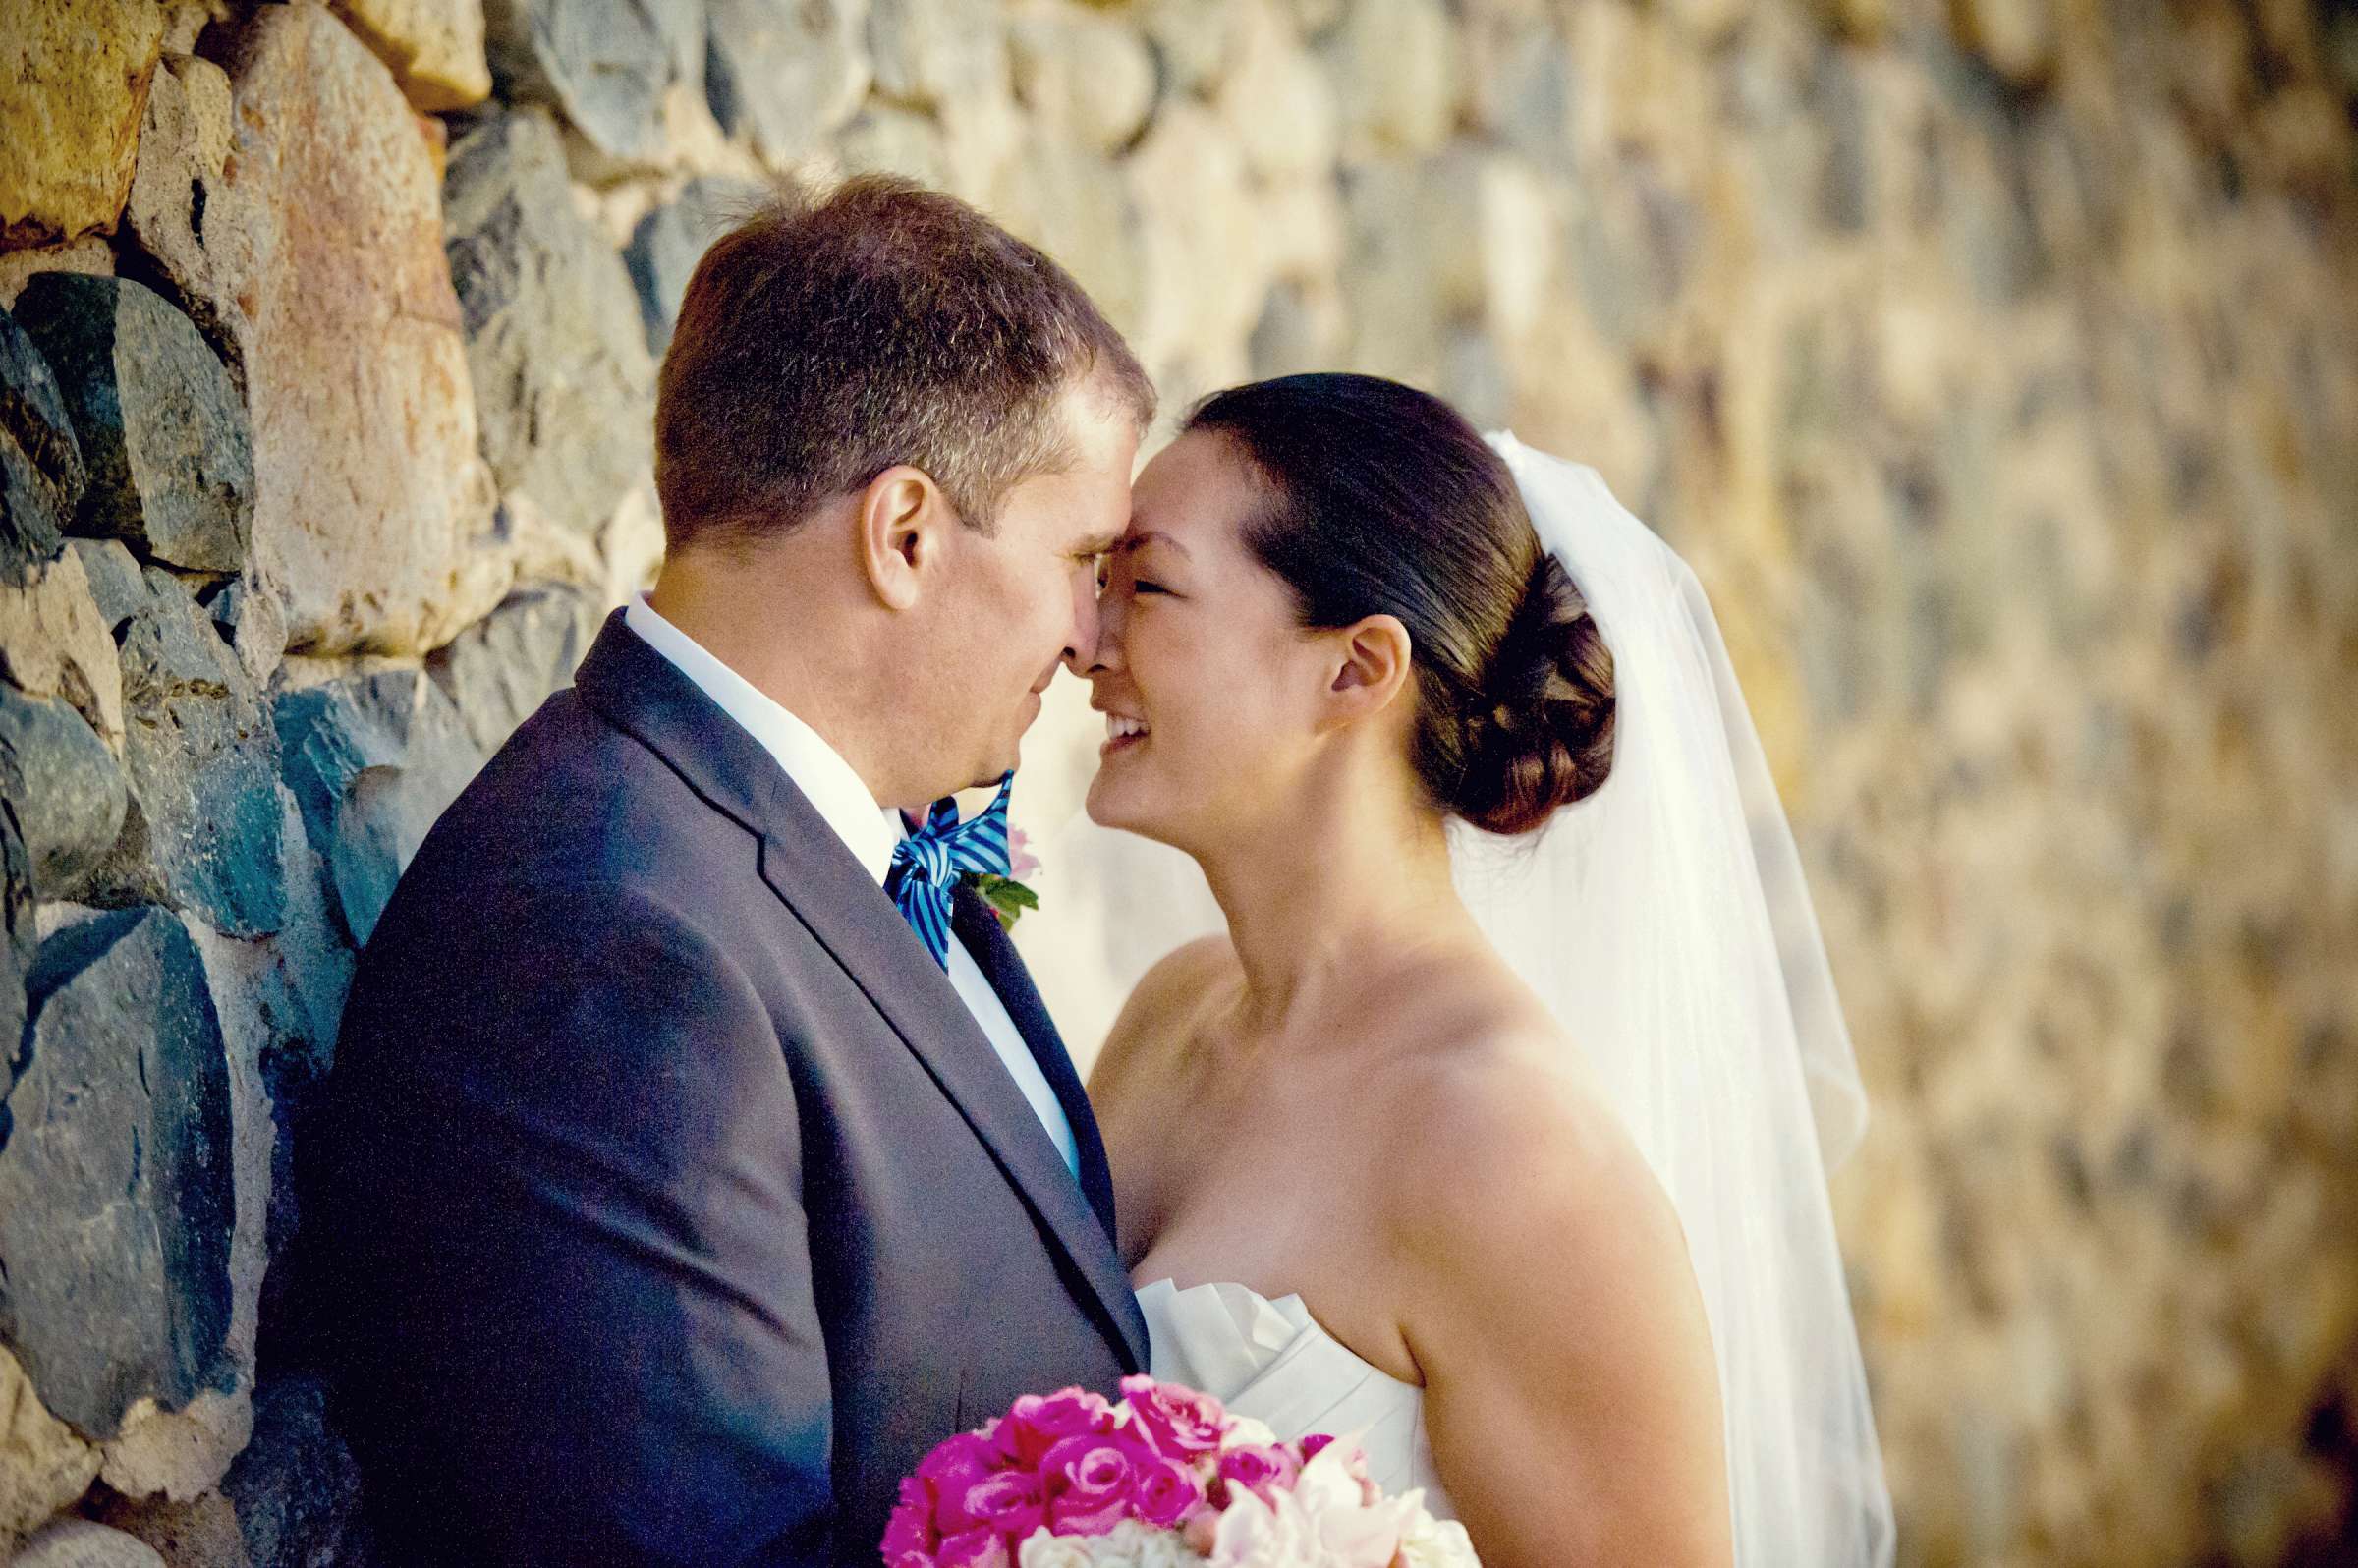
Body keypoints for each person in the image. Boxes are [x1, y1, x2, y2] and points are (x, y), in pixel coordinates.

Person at [302, 176, 1155, 1567]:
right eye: (1081, 558)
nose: (1086, 636)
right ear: (907, 537)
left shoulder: (832, 853)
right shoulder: (606, 942)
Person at [1078, 373, 1895, 1568]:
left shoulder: (1509, 1150)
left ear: (1356, 670)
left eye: (1144, 585)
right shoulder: (1171, 1015)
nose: (1086, 641)